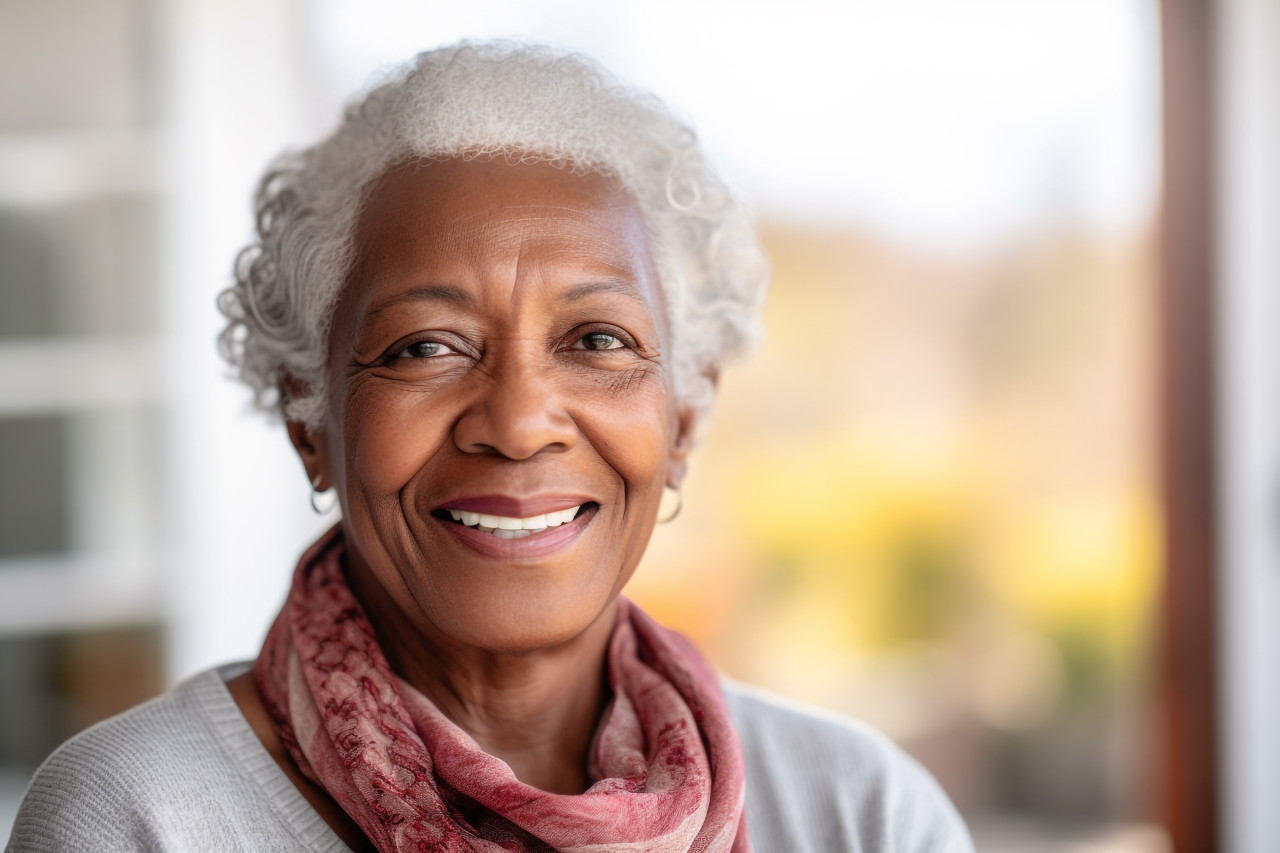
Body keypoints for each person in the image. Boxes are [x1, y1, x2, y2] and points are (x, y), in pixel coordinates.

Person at [6, 42, 972, 852]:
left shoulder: (860, 813)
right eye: (426, 347)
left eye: (598, 341)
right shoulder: (138, 817)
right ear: (310, 422)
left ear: (681, 422)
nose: (516, 422)